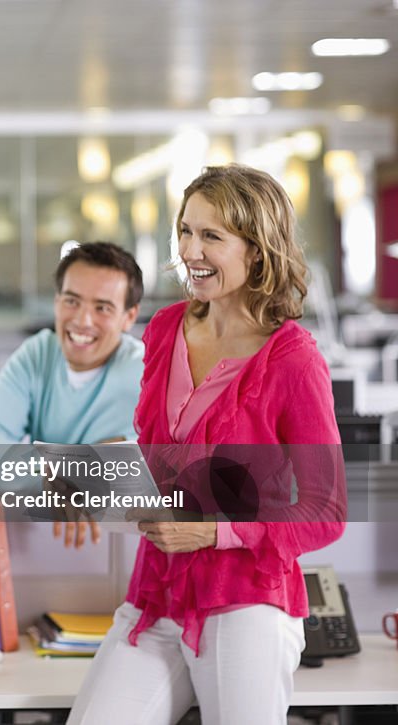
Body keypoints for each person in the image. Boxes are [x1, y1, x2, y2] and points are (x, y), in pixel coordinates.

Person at [68, 164, 346, 724]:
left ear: (258, 249)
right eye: (186, 231)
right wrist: (103, 472)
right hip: (157, 594)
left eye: (212, 236)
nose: (191, 250)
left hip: (246, 601)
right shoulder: (167, 328)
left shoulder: (292, 358)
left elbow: (327, 510)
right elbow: (165, 456)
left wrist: (213, 531)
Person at [0, 241, 144, 546]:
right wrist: (47, 473)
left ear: (129, 317)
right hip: (49, 546)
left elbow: (164, 463)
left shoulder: (146, 371)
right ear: (56, 301)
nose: (82, 320)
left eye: (102, 307)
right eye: (72, 301)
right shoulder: (39, 355)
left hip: (126, 552)